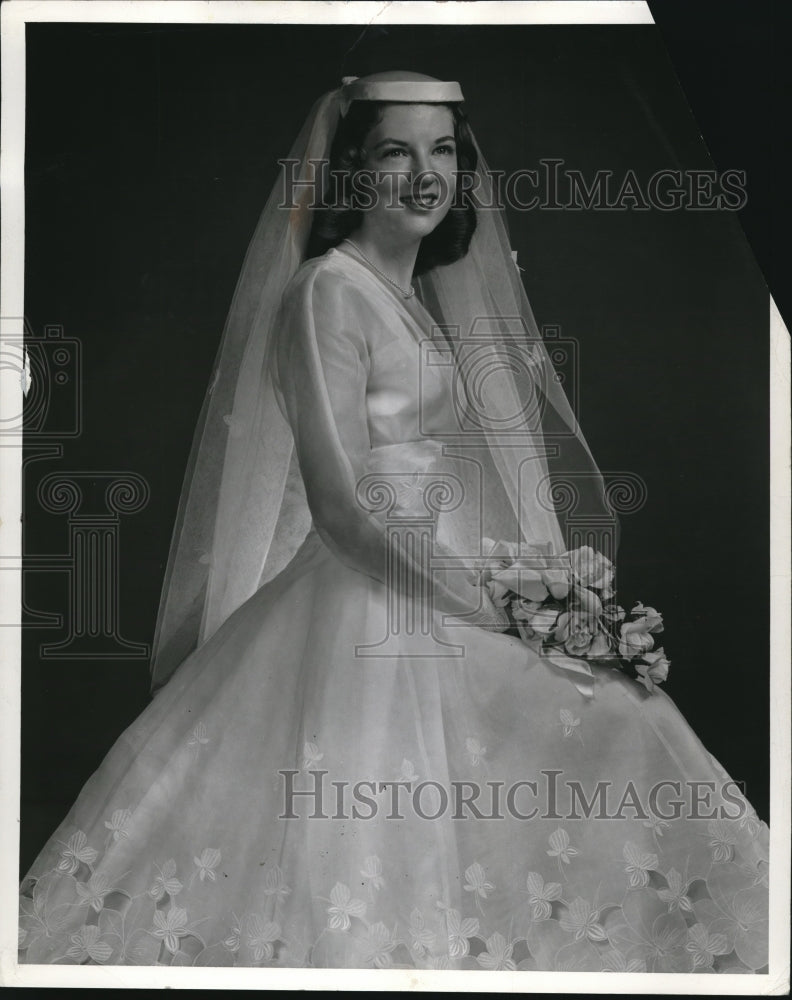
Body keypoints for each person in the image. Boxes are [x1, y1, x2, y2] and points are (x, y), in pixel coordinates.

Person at [17, 72, 769, 973]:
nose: (425, 174)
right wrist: (489, 600)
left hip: (429, 574)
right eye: (395, 151)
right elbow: (340, 509)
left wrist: (519, 582)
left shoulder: (401, 294)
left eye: (443, 149)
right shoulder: (327, 292)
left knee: (613, 713)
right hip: (366, 597)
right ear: (351, 172)